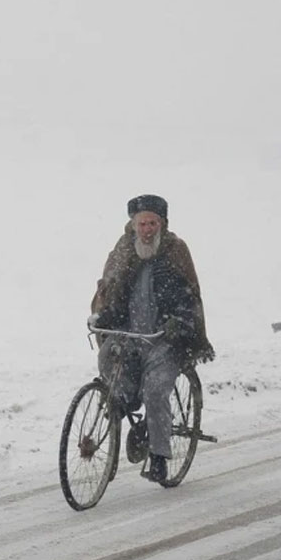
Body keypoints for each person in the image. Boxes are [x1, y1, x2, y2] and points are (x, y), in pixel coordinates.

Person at [89, 194, 214, 483]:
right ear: (133, 224)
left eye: (152, 223)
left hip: (163, 339)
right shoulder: (122, 251)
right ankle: (124, 402)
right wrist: (105, 315)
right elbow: (108, 288)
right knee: (107, 359)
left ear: (162, 224)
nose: (147, 229)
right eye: (142, 223)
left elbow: (189, 293)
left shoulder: (175, 250)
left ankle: (159, 456)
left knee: (156, 390)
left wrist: (179, 322)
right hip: (130, 334)